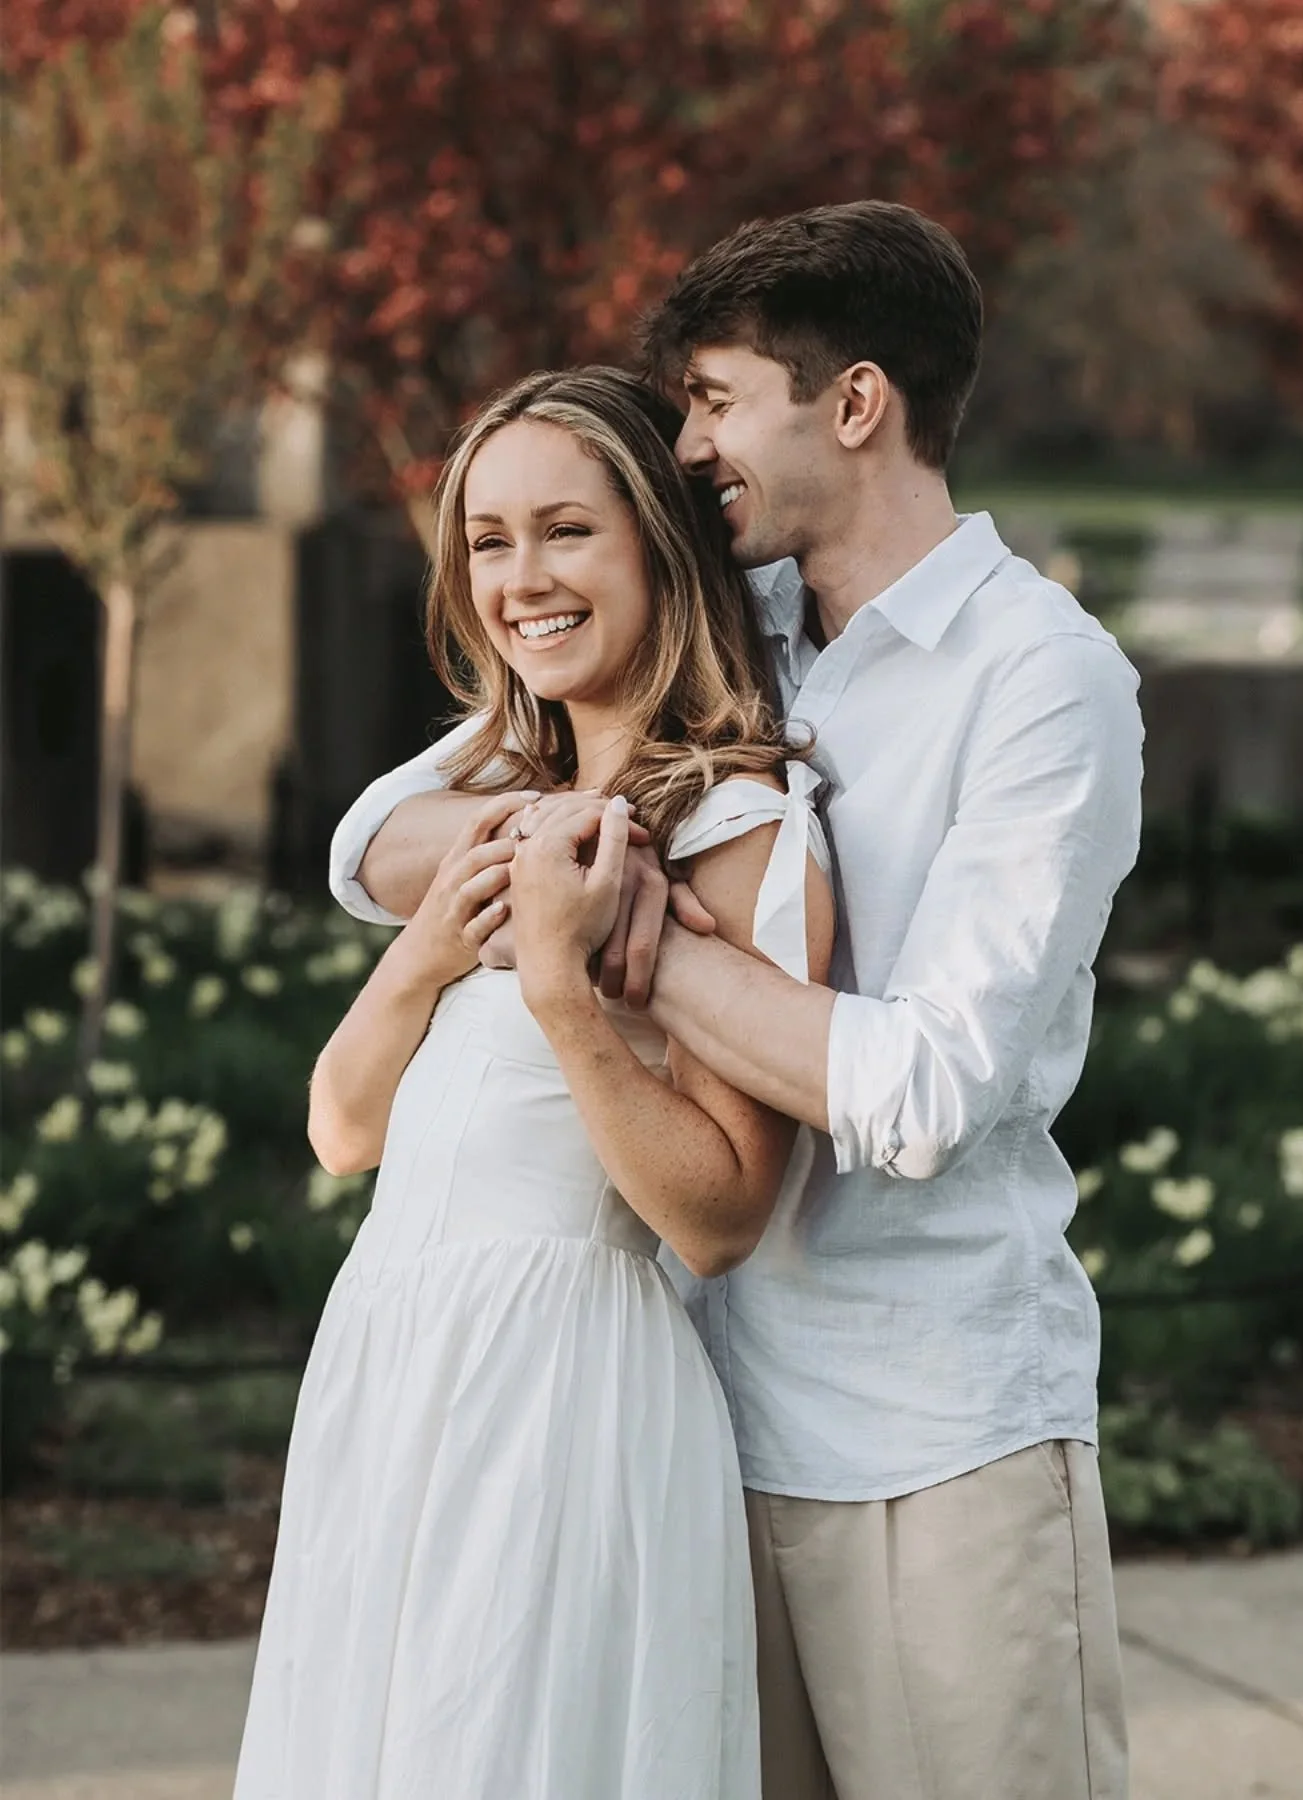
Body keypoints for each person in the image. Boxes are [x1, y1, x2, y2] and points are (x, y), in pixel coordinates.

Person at [332, 201, 1143, 1800]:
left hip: (926, 1433)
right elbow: (373, 842)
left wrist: (640, 933)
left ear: (855, 404)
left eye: (714, 400)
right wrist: (576, 837)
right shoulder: (739, 628)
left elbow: (924, 1092)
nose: (689, 445)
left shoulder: (1040, 678)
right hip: (691, 1428)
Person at [234, 367, 834, 1800]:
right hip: (390, 1365)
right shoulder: (490, 808)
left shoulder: (738, 827)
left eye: (568, 531)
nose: (523, 580)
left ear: (658, 549)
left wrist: (564, 991)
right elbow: (340, 1129)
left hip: (560, 1385)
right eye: (490, 542)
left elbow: (720, 1218)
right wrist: (431, 948)